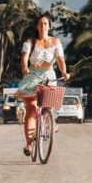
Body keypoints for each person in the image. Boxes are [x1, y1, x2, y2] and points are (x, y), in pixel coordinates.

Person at [15, 15, 69, 156]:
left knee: (48, 105)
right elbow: (24, 58)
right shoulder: (30, 42)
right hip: (32, 76)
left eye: (46, 23)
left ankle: (51, 121)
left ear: (49, 26)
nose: (43, 26)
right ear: (37, 27)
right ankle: (29, 145)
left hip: (49, 76)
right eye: (40, 23)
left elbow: (60, 59)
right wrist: (25, 68)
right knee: (31, 111)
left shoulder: (55, 41)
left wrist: (64, 72)